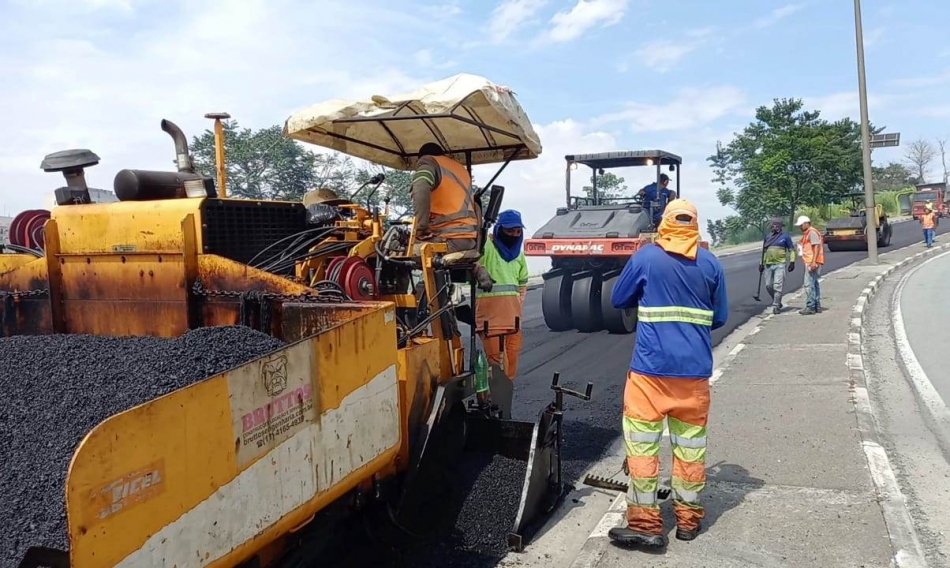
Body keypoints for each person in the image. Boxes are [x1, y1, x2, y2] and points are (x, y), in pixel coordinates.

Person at [608, 198, 728, 549]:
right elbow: (719, 316)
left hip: (650, 375)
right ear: (694, 225)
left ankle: (646, 524)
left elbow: (619, 298)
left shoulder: (646, 256)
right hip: (693, 377)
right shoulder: (710, 263)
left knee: (643, 450)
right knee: (690, 450)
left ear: (664, 223)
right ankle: (688, 522)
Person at [474, 210, 529, 379]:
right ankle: (493, 399)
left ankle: (505, 397)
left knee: (511, 361)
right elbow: (472, 256)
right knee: (496, 363)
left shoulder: (518, 255)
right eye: (509, 230)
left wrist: (517, 303)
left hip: (513, 320)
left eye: (517, 231)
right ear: (499, 229)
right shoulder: (487, 246)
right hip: (491, 320)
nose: (514, 235)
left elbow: (522, 282)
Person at [409, 142, 479, 254]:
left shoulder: (428, 162)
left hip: (448, 236)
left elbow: (421, 187)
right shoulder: (459, 168)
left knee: (398, 253)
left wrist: (421, 227)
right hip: (468, 238)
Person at [759, 218, 796, 314]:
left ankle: (776, 306)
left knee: (777, 286)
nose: (774, 227)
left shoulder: (785, 236)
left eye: (776, 225)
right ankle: (777, 301)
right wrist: (761, 263)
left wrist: (792, 262)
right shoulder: (767, 237)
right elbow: (764, 252)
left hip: (780, 264)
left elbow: (791, 250)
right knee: (768, 285)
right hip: (768, 265)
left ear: (780, 227)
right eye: (773, 225)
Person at [796, 215, 825, 315]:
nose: (800, 227)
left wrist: (813, 262)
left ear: (806, 223)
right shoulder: (808, 233)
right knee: (814, 284)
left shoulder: (812, 232)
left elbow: (816, 246)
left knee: (808, 284)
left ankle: (810, 306)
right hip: (813, 261)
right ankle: (817, 306)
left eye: (801, 225)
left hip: (812, 262)